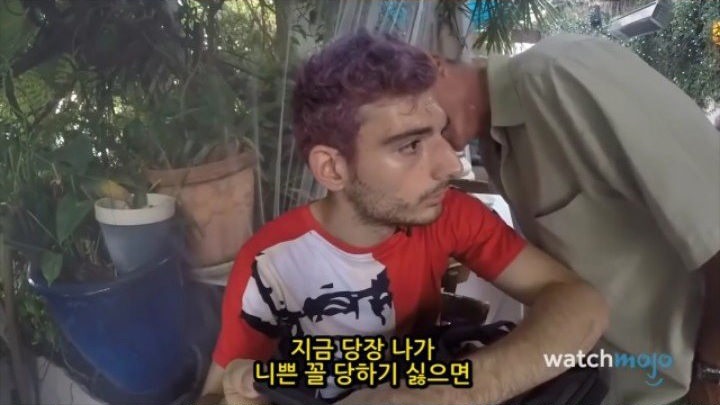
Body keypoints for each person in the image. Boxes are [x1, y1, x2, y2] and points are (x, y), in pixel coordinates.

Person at [199, 31, 609, 405]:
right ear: (332, 169)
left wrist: (458, 391)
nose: (452, 165)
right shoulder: (270, 262)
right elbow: (218, 392)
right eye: (410, 145)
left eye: (440, 132)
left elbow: (578, 300)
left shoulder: (447, 214)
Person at [430, 33, 720, 405]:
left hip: (684, 386)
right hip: (608, 385)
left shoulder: (559, 74)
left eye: (417, 118)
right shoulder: (495, 143)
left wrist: (711, 375)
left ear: (434, 65)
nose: (440, 155)